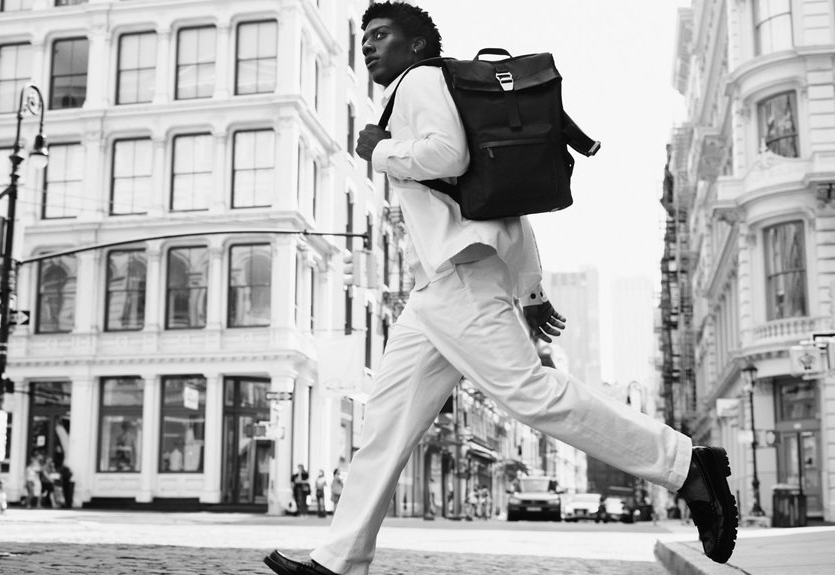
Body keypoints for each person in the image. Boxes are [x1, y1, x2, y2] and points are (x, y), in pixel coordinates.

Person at [265, 3, 738, 574]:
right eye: (364, 37)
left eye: (381, 35)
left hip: (458, 275)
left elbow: (448, 155)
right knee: (384, 426)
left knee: (530, 393)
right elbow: (500, 205)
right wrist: (531, 291)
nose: (368, 46)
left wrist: (378, 150)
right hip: (438, 288)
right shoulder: (438, 89)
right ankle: (338, 561)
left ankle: (687, 464)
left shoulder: (419, 81)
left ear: (416, 46)